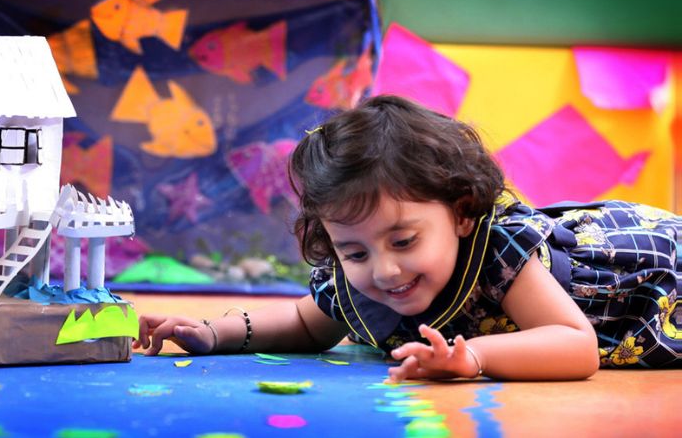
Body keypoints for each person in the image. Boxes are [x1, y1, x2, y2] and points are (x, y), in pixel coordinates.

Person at [133, 95, 682, 381]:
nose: (385, 270)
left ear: (463, 213)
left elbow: (575, 345)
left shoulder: (497, 255)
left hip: (656, 277)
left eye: (403, 241)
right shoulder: (359, 281)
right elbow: (305, 324)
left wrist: (473, 359)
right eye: (355, 251)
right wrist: (212, 332)